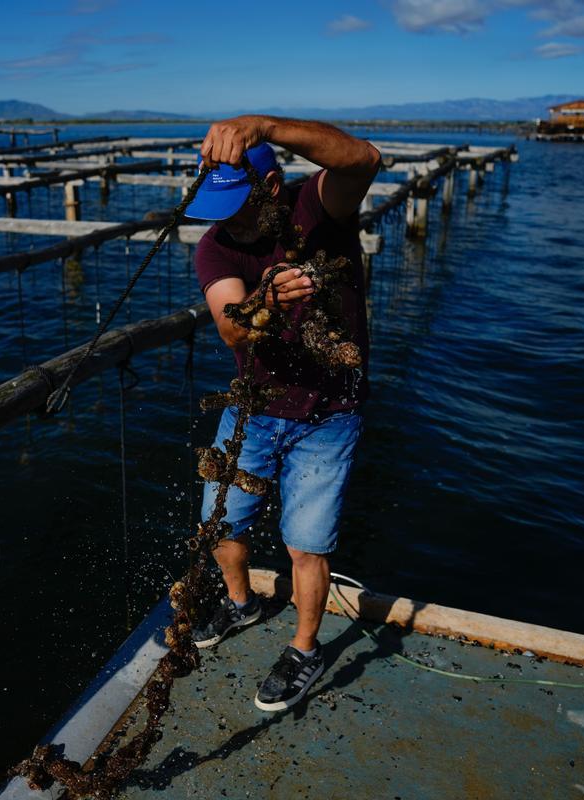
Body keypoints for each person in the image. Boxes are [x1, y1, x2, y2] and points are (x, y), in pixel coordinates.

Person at [187, 116, 380, 712]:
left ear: (272, 188)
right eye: (218, 206)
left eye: (239, 204)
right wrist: (261, 303)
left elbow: (364, 160)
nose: (229, 219)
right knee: (219, 523)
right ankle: (241, 604)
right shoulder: (215, 246)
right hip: (254, 408)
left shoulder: (318, 210)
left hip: (329, 414)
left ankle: (304, 648)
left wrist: (265, 124)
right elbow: (227, 325)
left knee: (306, 544)